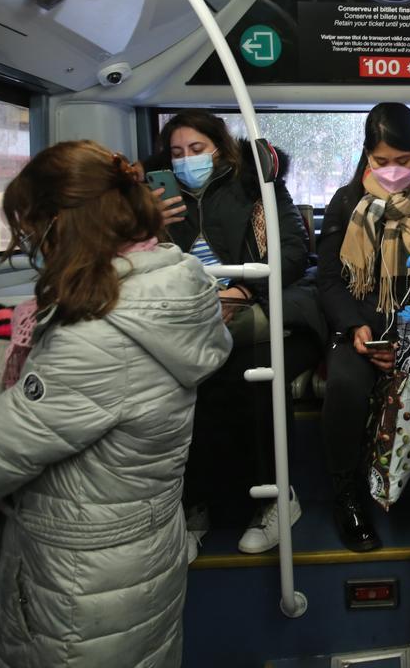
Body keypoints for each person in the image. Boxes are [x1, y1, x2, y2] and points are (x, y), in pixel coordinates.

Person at [0, 140, 232, 667]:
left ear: (61, 225)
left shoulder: (96, 339)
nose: (32, 244)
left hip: (78, 583)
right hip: (139, 551)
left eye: (33, 230)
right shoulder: (163, 288)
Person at [150, 110, 317, 559]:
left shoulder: (257, 186)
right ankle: (193, 506)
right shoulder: (157, 201)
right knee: (178, 382)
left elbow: (294, 253)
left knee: (249, 375)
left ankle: (276, 500)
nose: (187, 161)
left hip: (264, 309)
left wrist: (243, 288)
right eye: (177, 153)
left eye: (197, 150)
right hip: (192, 316)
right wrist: (147, 222)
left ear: (220, 149)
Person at [317, 102, 410, 552]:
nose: (393, 171)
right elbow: (328, 281)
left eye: (403, 161)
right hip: (363, 332)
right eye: (383, 162)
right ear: (366, 157)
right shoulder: (345, 206)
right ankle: (347, 496)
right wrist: (356, 327)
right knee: (344, 384)